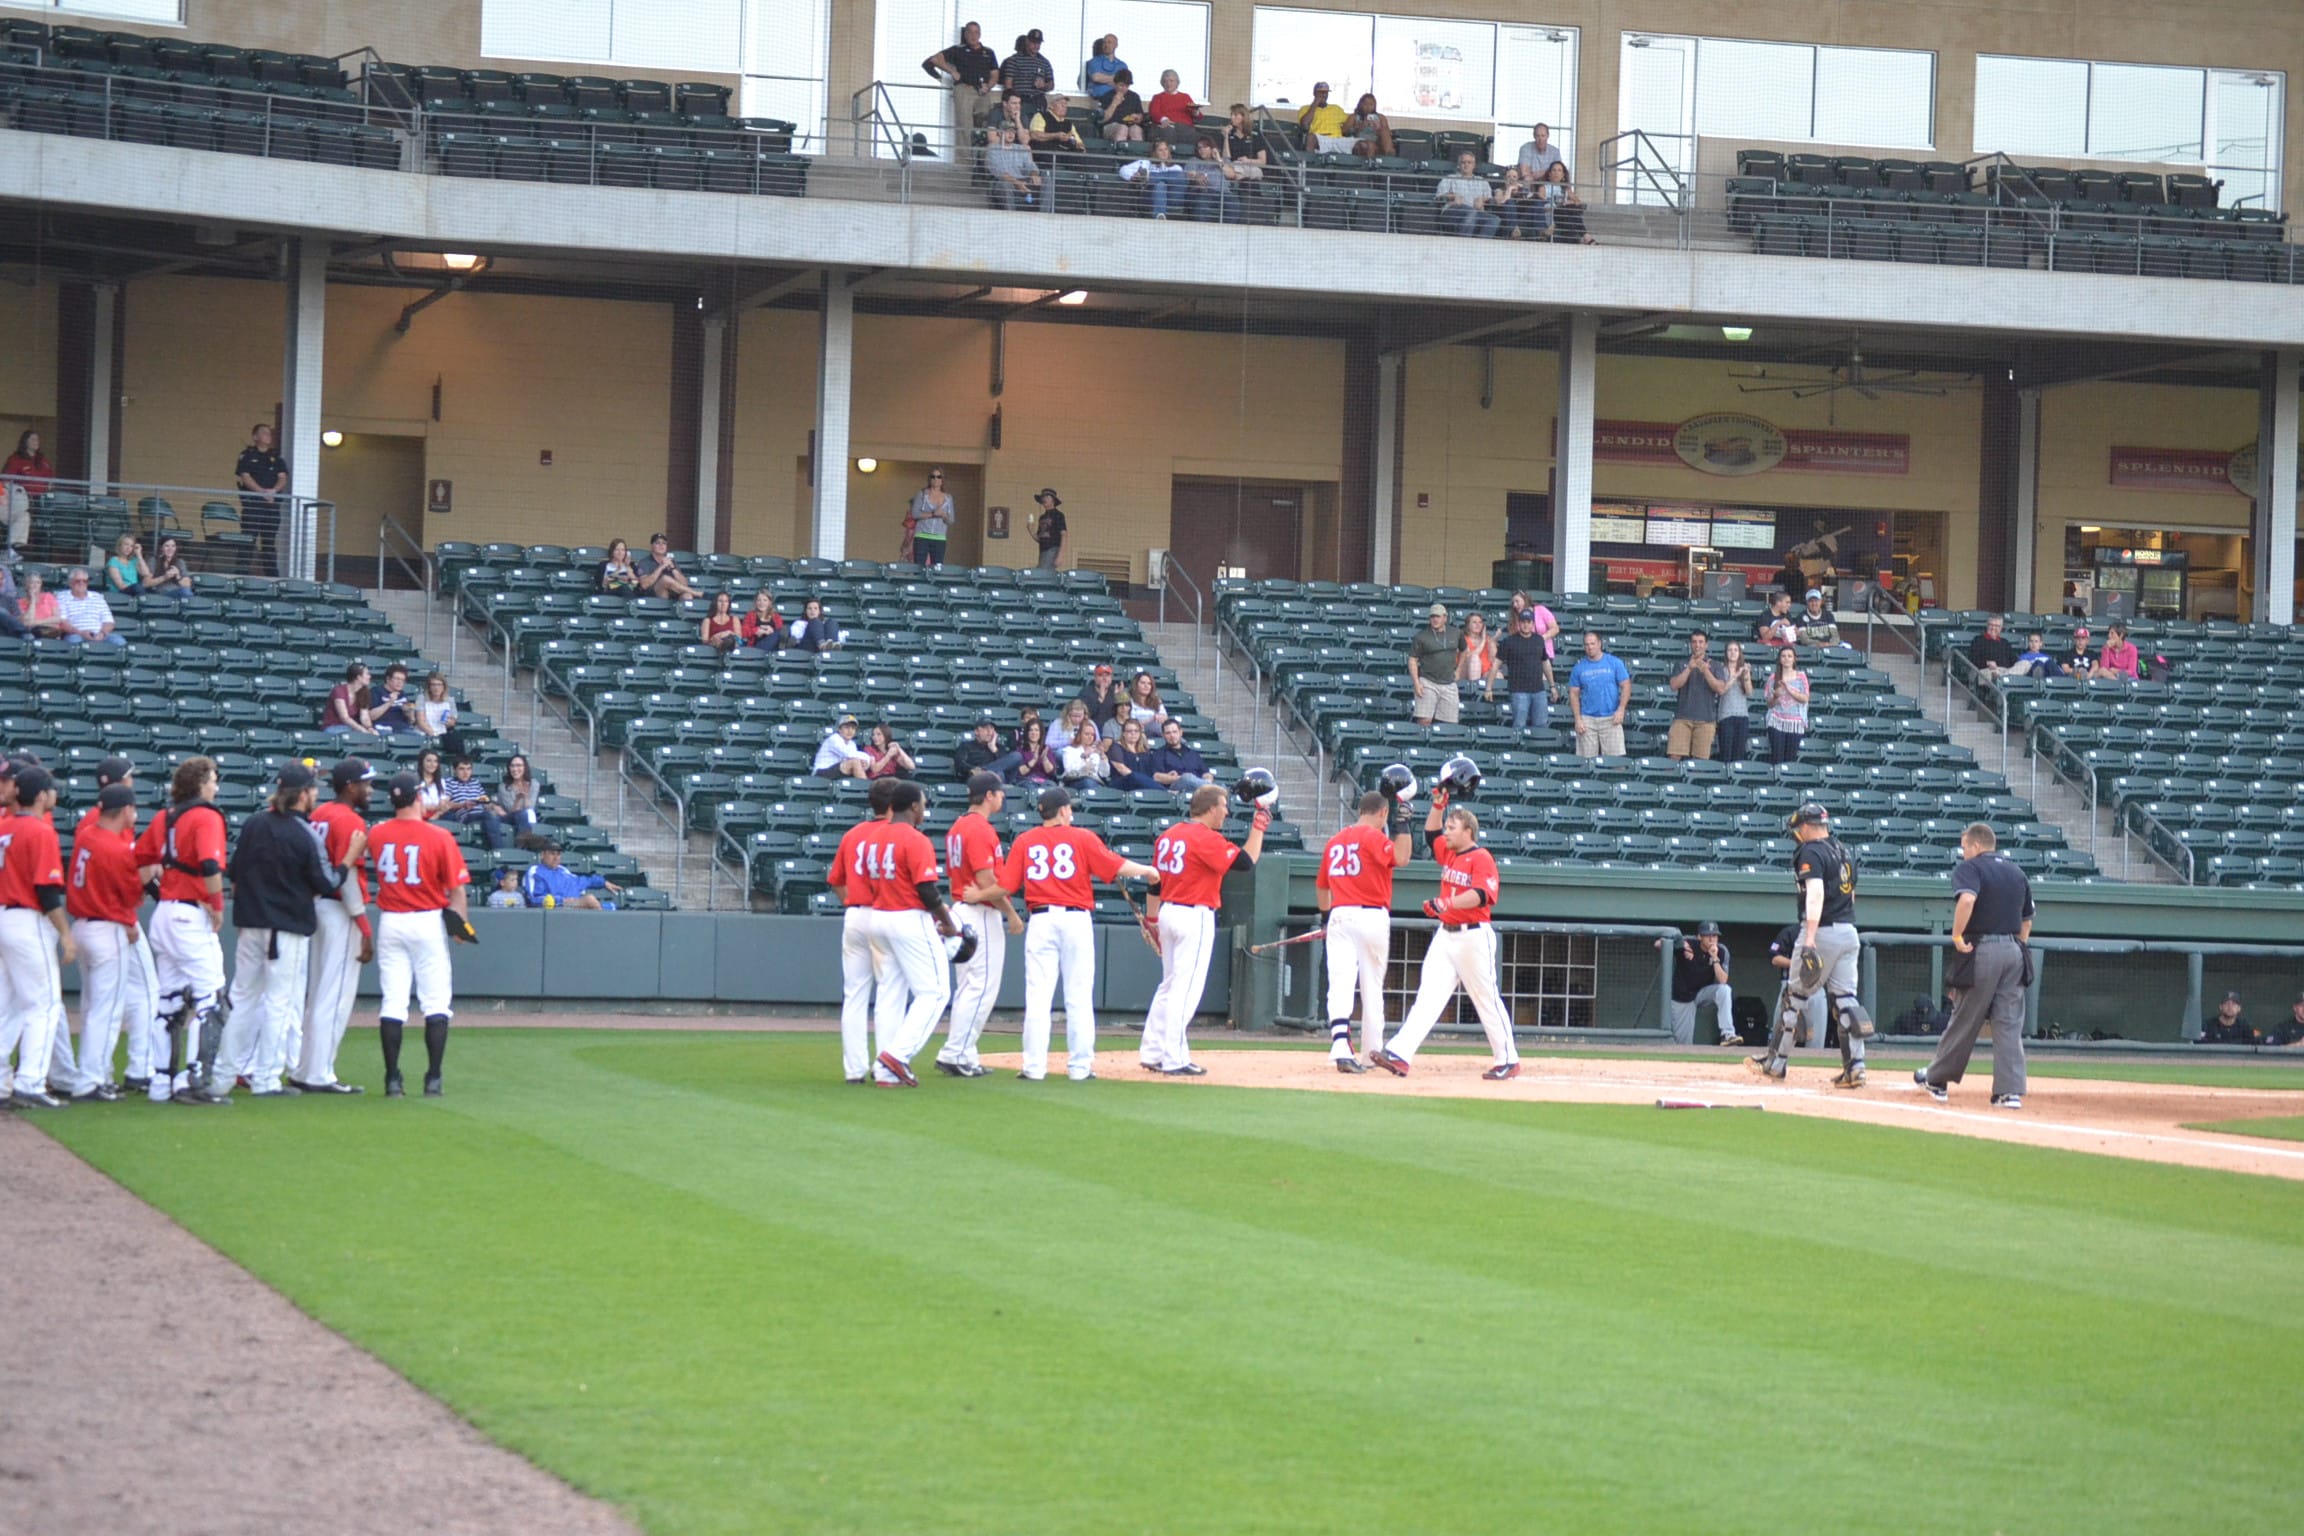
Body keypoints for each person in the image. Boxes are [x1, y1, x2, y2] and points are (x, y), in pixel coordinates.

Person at [999, 786, 1160, 1081]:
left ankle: (1033, 1068)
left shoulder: (1024, 840)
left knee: (1037, 996)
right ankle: (1079, 1067)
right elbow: (1117, 865)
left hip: (1041, 919)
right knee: (1078, 996)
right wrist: (1148, 871)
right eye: (1069, 807)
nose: (1071, 811)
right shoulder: (1081, 837)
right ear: (1062, 811)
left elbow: (1007, 886)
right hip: (1075, 919)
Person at [1372, 777, 1520, 1081]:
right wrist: (1439, 804)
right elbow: (1430, 834)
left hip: (1474, 935)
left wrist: (1446, 903)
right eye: (1448, 827)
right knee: (1428, 996)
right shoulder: (1451, 853)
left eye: (1453, 828)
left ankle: (1508, 1058)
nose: (1447, 832)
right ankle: (1400, 1053)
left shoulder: (1481, 857)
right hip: (1447, 934)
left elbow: (1482, 895)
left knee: (1485, 998)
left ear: (1469, 831)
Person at [217, 763, 346, 1098]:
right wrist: (348, 861)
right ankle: (266, 1079)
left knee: (242, 999)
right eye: (313, 789)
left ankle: (222, 1077)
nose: (316, 794)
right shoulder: (305, 832)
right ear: (302, 794)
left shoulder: (254, 823)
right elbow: (327, 881)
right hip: (285, 928)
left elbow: (235, 871)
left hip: (250, 923)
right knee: (279, 1002)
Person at [1139, 778, 1270, 1076]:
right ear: (1210, 808)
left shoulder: (1168, 836)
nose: (1226, 812)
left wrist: (1152, 919)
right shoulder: (1205, 837)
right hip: (1193, 913)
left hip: (1169, 911)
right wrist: (1258, 827)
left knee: (1169, 985)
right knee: (1184, 990)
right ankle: (1174, 1058)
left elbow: (1155, 883)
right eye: (1223, 806)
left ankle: (1153, 1050)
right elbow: (1246, 862)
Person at [367, 772, 475, 1098]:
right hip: (426, 921)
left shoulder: (377, 833)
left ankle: (392, 1080)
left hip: (391, 921)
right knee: (436, 1001)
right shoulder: (439, 836)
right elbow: (457, 891)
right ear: (417, 797)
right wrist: (461, 927)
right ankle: (433, 1078)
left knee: (393, 1002)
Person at [1747, 802, 1869, 1089]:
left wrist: (1811, 937)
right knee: (1846, 1000)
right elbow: (1851, 896)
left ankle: (1776, 1063)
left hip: (1822, 930)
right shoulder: (1843, 850)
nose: (1797, 833)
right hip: (1849, 931)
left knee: (1794, 997)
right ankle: (1856, 1067)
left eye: (1799, 827)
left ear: (1807, 826)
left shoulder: (1811, 850)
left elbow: (1815, 893)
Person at [1916, 822, 2035, 1108]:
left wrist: (1956, 934)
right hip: (2014, 951)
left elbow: (1967, 899)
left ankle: (1937, 1079)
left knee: (1965, 1018)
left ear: (1977, 845)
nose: (1963, 851)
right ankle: (2009, 1092)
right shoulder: (2016, 871)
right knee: (2008, 1023)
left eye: (1965, 846)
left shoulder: (1971, 868)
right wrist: (2017, 945)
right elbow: (2027, 919)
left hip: (1982, 948)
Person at [856, 781, 962, 1088]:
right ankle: (897, 1056)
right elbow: (927, 890)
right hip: (907, 917)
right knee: (936, 992)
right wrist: (948, 923)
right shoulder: (915, 839)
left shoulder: (874, 837)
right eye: (923, 803)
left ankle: (886, 1070)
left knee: (890, 992)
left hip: (879, 916)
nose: (925, 808)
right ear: (913, 806)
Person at [137, 756, 229, 1104]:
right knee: (210, 1000)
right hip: (190, 916)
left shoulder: (166, 816)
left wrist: (160, 894)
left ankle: (162, 1082)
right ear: (200, 783)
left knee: (170, 1001)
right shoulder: (205, 816)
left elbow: (141, 857)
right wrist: (217, 905)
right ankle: (192, 1080)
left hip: (164, 913)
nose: (216, 787)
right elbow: (209, 864)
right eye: (212, 780)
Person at [61, 782, 154, 1102]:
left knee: (92, 1006)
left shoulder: (87, 836)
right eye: (133, 809)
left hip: (83, 926)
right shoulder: (114, 848)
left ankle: (91, 1075)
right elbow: (130, 895)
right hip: (107, 930)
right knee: (107, 1010)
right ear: (126, 810)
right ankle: (92, 1080)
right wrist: (148, 873)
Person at [933, 771, 1025, 1078]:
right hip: (980, 911)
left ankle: (964, 1052)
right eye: (1000, 793)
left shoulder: (958, 826)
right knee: (981, 988)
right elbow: (986, 879)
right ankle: (956, 1053)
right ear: (988, 795)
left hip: (963, 908)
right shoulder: (979, 829)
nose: (1002, 797)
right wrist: (1011, 913)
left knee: (968, 988)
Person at [1319, 781, 1414, 1072]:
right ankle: (1371, 1051)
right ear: (1383, 813)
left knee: (1340, 984)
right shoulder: (1372, 837)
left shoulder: (1335, 840)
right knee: (1371, 986)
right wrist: (1405, 826)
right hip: (1371, 915)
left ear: (1360, 810)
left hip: (1338, 914)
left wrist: (1327, 918)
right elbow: (1402, 858)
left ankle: (1339, 1044)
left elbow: (1322, 889)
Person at [295, 757, 377, 1094]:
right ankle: (320, 1073)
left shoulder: (319, 815)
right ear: (349, 786)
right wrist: (365, 929)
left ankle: (304, 1068)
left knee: (318, 993)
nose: (370, 789)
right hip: (340, 909)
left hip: (315, 906)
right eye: (366, 783)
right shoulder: (348, 820)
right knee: (335, 995)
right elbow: (349, 878)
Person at [0, 765, 74, 1110]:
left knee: (9, 1005)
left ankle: (2, 1081)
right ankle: (30, 1082)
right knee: (43, 1005)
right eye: (51, 790)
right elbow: (46, 892)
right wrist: (65, 933)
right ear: (42, 795)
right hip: (26, 920)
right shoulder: (40, 831)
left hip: (3, 916)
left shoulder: (5, 826)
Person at [828, 777, 903, 1083]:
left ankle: (854, 1070)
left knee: (855, 994)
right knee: (890, 991)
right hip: (884, 915)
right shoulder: (897, 833)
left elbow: (835, 881)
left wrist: (852, 904)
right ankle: (886, 1067)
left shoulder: (853, 833)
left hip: (855, 915)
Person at [1663, 922, 1738, 1046]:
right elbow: (1659, 944)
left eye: (1714, 936)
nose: (1711, 939)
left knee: (1725, 990)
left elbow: (1723, 980)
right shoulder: (1689, 944)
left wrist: (1714, 958)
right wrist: (1680, 944)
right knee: (1683, 1044)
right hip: (1683, 997)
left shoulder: (1721, 951)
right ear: (1699, 937)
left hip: (1702, 993)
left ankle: (1728, 1034)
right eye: (1707, 935)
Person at [922, 20, 998, 134]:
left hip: (982, 91)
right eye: (970, 32)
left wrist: (989, 86)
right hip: (964, 89)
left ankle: (980, 145)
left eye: (976, 32)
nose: (973, 35)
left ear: (980, 34)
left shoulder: (988, 52)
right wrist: (951, 71)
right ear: (965, 34)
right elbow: (934, 59)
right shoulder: (958, 49)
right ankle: (964, 152)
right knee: (964, 126)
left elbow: (995, 74)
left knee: (986, 118)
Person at [234, 422, 288, 576]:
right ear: (255, 437)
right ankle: (241, 573)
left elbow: (283, 477)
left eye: (269, 432)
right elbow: (245, 476)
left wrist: (274, 491)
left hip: (271, 507)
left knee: (269, 542)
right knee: (248, 540)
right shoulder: (247, 455)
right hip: (253, 505)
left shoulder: (276, 458)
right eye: (264, 432)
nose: (268, 435)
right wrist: (262, 493)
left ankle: (272, 576)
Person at [1567, 630, 1631, 758]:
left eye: (1592, 643)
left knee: (1616, 762)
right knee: (1586, 762)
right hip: (1587, 720)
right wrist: (1578, 719)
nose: (1590, 647)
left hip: (1611, 718)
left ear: (1600, 644)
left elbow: (1626, 686)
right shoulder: (1578, 668)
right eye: (1586, 644)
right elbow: (1573, 694)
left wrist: (1621, 709)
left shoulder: (1614, 663)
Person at [1666, 631, 1728, 760]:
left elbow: (1720, 689)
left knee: (1700, 761)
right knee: (1674, 756)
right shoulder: (1681, 663)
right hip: (1682, 718)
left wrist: (1705, 670)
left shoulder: (1715, 665)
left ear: (1706, 645)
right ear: (1690, 644)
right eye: (1694, 642)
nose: (1697, 645)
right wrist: (1689, 668)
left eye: (1700, 642)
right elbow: (1674, 685)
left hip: (1706, 720)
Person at [1768, 921, 1827, 1050]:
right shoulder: (1791, 932)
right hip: (1791, 984)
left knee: (1816, 1035)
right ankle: (1775, 1059)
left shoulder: (1825, 935)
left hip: (1816, 987)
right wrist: (1797, 965)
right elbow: (1775, 958)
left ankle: (1813, 1064)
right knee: (1781, 1028)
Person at [1496, 605, 1554, 734]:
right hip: (1518, 691)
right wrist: (1488, 688)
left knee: (1541, 726)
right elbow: (1496, 664)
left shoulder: (1539, 640)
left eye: (1529, 622)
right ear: (1519, 623)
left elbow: (1546, 664)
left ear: (1533, 624)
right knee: (1519, 725)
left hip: (1539, 690)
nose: (1526, 625)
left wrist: (1552, 686)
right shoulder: (1509, 641)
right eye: (1523, 622)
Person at [523, 840, 622, 910]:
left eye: (558, 854)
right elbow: (533, 899)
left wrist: (603, 882)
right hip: (556, 911)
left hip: (576, 909)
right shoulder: (536, 871)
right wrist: (561, 901)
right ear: (542, 854)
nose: (556, 858)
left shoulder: (563, 871)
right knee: (589, 900)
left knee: (610, 906)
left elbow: (582, 881)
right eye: (552, 853)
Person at [1407, 602, 1462, 728]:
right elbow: (1412, 660)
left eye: (1438, 616)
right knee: (1425, 720)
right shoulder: (1421, 636)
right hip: (1428, 681)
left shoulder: (1456, 633)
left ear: (1445, 618)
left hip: (1449, 682)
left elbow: (1464, 651)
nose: (1435, 619)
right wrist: (1416, 683)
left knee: (1450, 723)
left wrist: (1459, 670)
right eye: (1432, 617)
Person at [2, 427, 54, 554]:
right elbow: (6, 480)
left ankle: (35, 553)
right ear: (25, 442)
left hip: (41, 501)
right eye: (33, 439)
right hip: (20, 500)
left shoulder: (43, 460)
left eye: (38, 439)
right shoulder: (15, 459)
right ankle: (12, 550)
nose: (36, 441)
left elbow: (51, 479)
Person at [441, 755, 508, 850]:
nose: (465, 772)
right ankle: (500, 850)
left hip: (482, 814)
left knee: (502, 815)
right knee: (488, 815)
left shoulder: (475, 783)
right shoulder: (449, 782)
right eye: (461, 769)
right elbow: (445, 804)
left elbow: (485, 802)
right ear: (454, 770)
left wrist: (495, 807)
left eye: (468, 769)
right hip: (465, 816)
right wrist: (463, 805)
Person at [1435, 151, 1500, 237]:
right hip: (1453, 212)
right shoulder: (1449, 178)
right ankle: (1464, 245)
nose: (1466, 165)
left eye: (1469, 162)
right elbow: (1438, 198)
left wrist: (1483, 200)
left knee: (1494, 219)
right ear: (1459, 165)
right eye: (1463, 162)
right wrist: (1452, 197)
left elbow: (1490, 199)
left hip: (1476, 212)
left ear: (1474, 165)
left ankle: (1480, 246)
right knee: (1471, 213)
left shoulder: (1482, 181)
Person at [1765, 646, 1811, 763]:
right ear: (1780, 659)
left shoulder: (1801, 677)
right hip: (1776, 722)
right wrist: (1776, 696)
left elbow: (1805, 698)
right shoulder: (1773, 678)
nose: (1786, 659)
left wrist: (1789, 690)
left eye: (1789, 656)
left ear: (1794, 659)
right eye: (1783, 656)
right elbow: (1769, 704)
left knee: (1790, 759)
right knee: (1777, 758)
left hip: (1794, 723)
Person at [56, 567, 124, 646]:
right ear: (70, 583)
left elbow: (109, 621)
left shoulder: (97, 597)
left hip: (99, 634)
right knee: (74, 641)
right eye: (78, 581)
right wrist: (80, 633)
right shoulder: (62, 596)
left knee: (119, 641)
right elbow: (63, 622)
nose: (82, 583)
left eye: (85, 581)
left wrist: (102, 634)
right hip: (76, 634)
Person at [1122, 137, 1188, 217]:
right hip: (1150, 199)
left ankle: (1150, 177)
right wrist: (1133, 176)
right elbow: (1123, 169)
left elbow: (1182, 180)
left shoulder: (1176, 167)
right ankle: (1160, 215)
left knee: (1180, 176)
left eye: (1166, 149)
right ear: (1154, 153)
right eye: (1160, 150)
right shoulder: (1145, 164)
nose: (1164, 152)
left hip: (1172, 199)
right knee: (1160, 185)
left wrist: (1149, 176)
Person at [983, 124, 1044, 209]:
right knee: (1005, 185)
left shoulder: (1021, 148)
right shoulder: (993, 149)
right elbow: (999, 172)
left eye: (1013, 132)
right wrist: (1016, 182)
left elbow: (1030, 165)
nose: (1011, 134)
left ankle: (1046, 215)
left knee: (1047, 181)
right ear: (1000, 134)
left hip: (1022, 180)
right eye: (1007, 131)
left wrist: (1034, 174)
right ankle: (1011, 216)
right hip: (1003, 181)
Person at [1715, 640, 1755, 763]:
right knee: (1726, 751)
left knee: (1739, 752)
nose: (1733, 653)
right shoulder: (1721, 670)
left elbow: (1749, 692)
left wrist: (1746, 676)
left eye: (1735, 650)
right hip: (1726, 715)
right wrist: (1734, 677)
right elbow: (1721, 690)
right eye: (1730, 650)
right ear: (1726, 653)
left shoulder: (1743, 670)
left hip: (1742, 715)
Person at [1186, 136, 1244, 222]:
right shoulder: (1194, 160)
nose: (1201, 150)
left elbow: (1231, 175)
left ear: (1213, 148)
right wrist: (1196, 176)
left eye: (1205, 147)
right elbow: (1189, 173)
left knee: (1234, 204)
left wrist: (1219, 160)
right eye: (1199, 148)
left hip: (1224, 193)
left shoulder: (1222, 161)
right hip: (1205, 192)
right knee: (1201, 204)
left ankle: (1226, 232)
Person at [998, 29, 1052, 117]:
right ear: (1027, 41)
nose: (1036, 45)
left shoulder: (1045, 62)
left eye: (1038, 43)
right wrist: (1013, 103)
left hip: (1038, 100)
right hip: (1020, 100)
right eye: (1033, 42)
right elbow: (1008, 84)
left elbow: (1051, 84)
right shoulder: (1014, 60)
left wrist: (1044, 85)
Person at [1145, 717, 1207, 794]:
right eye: (1168, 733)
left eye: (1174, 732)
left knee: (1220, 785)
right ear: (1163, 735)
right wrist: (1177, 778)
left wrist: (1208, 780)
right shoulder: (1158, 754)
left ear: (1181, 732)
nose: (1172, 735)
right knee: (1187, 777)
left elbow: (1206, 773)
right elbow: (1156, 777)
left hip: (1196, 789)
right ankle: (1209, 789)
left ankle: (1209, 788)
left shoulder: (1193, 753)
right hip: (1175, 788)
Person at [907, 468, 955, 566]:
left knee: (937, 568)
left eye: (939, 477)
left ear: (942, 480)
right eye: (933, 476)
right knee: (919, 567)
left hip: (939, 538)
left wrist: (943, 514)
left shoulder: (948, 498)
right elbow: (915, 514)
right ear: (929, 479)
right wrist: (933, 514)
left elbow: (951, 520)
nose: (935, 479)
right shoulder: (922, 494)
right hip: (922, 536)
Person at [1539, 161, 1593, 243]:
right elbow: (1541, 203)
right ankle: (1585, 235)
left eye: (1559, 170)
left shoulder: (1566, 189)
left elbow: (1578, 202)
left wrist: (1569, 202)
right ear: (1549, 174)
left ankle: (1582, 236)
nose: (1556, 173)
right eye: (1554, 170)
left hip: (1564, 215)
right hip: (1551, 214)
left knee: (1571, 209)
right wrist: (1559, 205)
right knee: (1569, 211)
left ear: (1563, 175)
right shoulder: (1544, 188)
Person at [495, 753, 542, 846]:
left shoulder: (534, 784)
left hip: (527, 815)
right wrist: (517, 799)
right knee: (524, 814)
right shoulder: (503, 786)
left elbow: (530, 807)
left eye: (519, 765)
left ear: (525, 767)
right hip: (509, 817)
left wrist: (525, 796)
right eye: (512, 766)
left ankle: (523, 841)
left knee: (528, 813)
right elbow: (510, 811)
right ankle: (525, 841)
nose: (515, 769)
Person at [954, 716, 1017, 782]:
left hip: (996, 778)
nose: (989, 731)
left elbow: (1006, 765)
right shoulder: (966, 745)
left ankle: (985, 771)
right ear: (976, 731)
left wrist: (994, 749)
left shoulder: (998, 748)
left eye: (992, 728)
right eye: (985, 728)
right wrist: (974, 769)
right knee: (998, 774)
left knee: (1016, 756)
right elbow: (960, 763)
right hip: (976, 778)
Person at [636, 533, 698, 601]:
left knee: (687, 596)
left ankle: (691, 597)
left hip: (672, 594)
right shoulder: (644, 562)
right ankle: (697, 593)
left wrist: (673, 568)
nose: (661, 545)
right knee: (665, 579)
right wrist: (661, 567)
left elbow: (684, 584)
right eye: (657, 543)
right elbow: (644, 585)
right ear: (652, 546)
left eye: (664, 543)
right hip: (653, 596)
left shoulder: (671, 562)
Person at [1458, 611, 1498, 710]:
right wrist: (1483, 641)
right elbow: (1470, 656)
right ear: (1468, 626)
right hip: (1465, 673)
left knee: (1498, 675)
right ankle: (1473, 694)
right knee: (1475, 659)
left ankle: (1492, 704)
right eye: (1474, 622)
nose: (1478, 625)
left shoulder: (1487, 639)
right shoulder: (1463, 639)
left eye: (1480, 622)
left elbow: (1494, 660)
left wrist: (1492, 642)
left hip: (1484, 674)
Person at [323, 662, 376, 736]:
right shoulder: (339, 690)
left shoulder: (364, 693)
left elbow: (365, 717)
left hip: (351, 728)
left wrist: (370, 729)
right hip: (333, 727)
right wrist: (362, 730)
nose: (369, 677)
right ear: (358, 677)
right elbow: (344, 718)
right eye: (367, 674)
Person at [1106, 716, 1159, 790]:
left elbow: (1151, 772)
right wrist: (1140, 780)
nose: (1133, 733)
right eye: (1129, 731)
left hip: (1142, 784)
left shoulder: (1145, 749)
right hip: (1122, 783)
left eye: (1136, 731)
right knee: (1133, 776)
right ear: (1123, 733)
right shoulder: (1116, 747)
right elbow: (1122, 769)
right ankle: (1166, 792)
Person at [1295, 81, 1349, 152]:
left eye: (1326, 92)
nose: (1323, 95)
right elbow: (1305, 125)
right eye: (1320, 92)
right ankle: (1310, 162)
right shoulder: (1305, 108)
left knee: (1360, 144)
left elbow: (1350, 122)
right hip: (1319, 140)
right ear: (1314, 93)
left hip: (1337, 140)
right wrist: (1315, 103)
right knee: (1310, 138)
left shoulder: (1336, 108)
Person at [1008, 717, 1060, 786]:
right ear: (1027, 733)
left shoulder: (1046, 749)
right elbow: (1021, 772)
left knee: (1052, 788)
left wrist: (1044, 759)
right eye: (1031, 730)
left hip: (1044, 781)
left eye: (1036, 730)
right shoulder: (1020, 750)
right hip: (1026, 781)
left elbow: (1050, 772)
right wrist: (1034, 760)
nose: (1033, 733)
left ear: (1040, 733)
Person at [1100, 69, 1147, 143]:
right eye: (1121, 85)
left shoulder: (1134, 96)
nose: (1123, 89)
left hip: (1130, 124)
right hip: (1111, 125)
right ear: (1115, 84)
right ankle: (1120, 152)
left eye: (1127, 86)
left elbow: (1140, 116)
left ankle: (1136, 153)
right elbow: (1103, 119)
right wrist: (1114, 103)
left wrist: (1137, 117)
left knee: (1136, 130)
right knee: (1122, 128)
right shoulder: (1107, 96)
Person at [371, 663, 419, 734]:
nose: (400, 682)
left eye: (403, 680)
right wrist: (390, 702)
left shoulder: (402, 694)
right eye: (397, 679)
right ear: (388, 679)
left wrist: (410, 714)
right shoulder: (376, 692)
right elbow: (372, 716)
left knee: (417, 737)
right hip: (383, 727)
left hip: (403, 728)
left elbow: (411, 721)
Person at [1343, 92, 1394, 158]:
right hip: (1360, 140)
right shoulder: (1354, 117)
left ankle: (1389, 155)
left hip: (1377, 140)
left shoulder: (1381, 117)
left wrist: (1378, 128)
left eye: (1371, 104)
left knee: (1384, 130)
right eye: (1365, 104)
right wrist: (1359, 126)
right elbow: (1344, 131)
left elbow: (1388, 134)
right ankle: (1370, 164)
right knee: (1370, 145)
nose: (1368, 107)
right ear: (1361, 105)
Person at [1223, 103, 1268, 177]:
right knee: (1227, 170)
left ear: (1243, 117)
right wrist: (1226, 136)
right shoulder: (1230, 133)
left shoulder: (1255, 134)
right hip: (1234, 166)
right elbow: (1226, 157)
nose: (1232, 117)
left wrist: (1247, 161)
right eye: (1231, 115)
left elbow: (1263, 161)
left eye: (1235, 115)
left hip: (1250, 167)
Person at [1082, 32, 1126, 104]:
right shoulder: (1094, 61)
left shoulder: (1122, 65)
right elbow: (1096, 77)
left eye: (1109, 42)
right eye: (1104, 43)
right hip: (1098, 101)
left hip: (1118, 101)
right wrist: (1116, 80)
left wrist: (1104, 79)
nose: (1106, 45)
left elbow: (1124, 84)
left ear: (1116, 45)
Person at [1060, 721, 1108, 786]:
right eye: (1087, 734)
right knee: (1088, 782)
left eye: (1092, 735)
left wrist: (1102, 756)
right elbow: (1070, 770)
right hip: (1074, 781)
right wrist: (1084, 755)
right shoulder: (1069, 750)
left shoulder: (1095, 753)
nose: (1090, 737)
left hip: (1094, 781)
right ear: (1079, 735)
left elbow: (1104, 774)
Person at [147, 533, 194, 599]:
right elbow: (146, 583)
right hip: (159, 594)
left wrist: (178, 576)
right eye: (167, 546)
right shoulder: (154, 561)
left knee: (186, 592)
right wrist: (165, 577)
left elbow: (187, 585)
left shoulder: (179, 562)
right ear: (161, 548)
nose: (170, 549)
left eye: (173, 546)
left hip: (177, 593)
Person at [416, 671, 458, 743]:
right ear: (429, 687)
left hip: (442, 733)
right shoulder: (421, 698)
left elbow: (453, 720)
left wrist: (450, 722)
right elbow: (421, 722)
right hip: (424, 733)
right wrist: (433, 734)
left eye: (439, 685)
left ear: (444, 687)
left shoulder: (450, 700)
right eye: (433, 685)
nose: (436, 688)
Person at [16, 570, 61, 637]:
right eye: (32, 582)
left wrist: (36, 622)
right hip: (30, 634)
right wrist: (33, 601)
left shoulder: (48, 596)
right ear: (26, 585)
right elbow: (26, 623)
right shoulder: (19, 602)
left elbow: (57, 619)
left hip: (50, 633)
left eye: (38, 583)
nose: (35, 585)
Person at [1031, 487, 1068, 569]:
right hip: (1042, 551)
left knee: (1041, 574)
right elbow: (1039, 538)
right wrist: (1030, 530)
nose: (1044, 499)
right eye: (1043, 497)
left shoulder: (1058, 515)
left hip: (1052, 549)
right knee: (1043, 573)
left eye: (1047, 497)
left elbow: (1064, 535)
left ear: (1053, 501)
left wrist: (1060, 555)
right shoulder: (1042, 517)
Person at [411, 747, 450, 820]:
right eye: (429, 761)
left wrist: (437, 813)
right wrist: (436, 807)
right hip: (419, 815)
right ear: (421, 762)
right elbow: (416, 805)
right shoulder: (414, 780)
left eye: (435, 761)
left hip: (438, 815)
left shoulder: (441, 781)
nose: (432, 764)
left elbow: (442, 805)